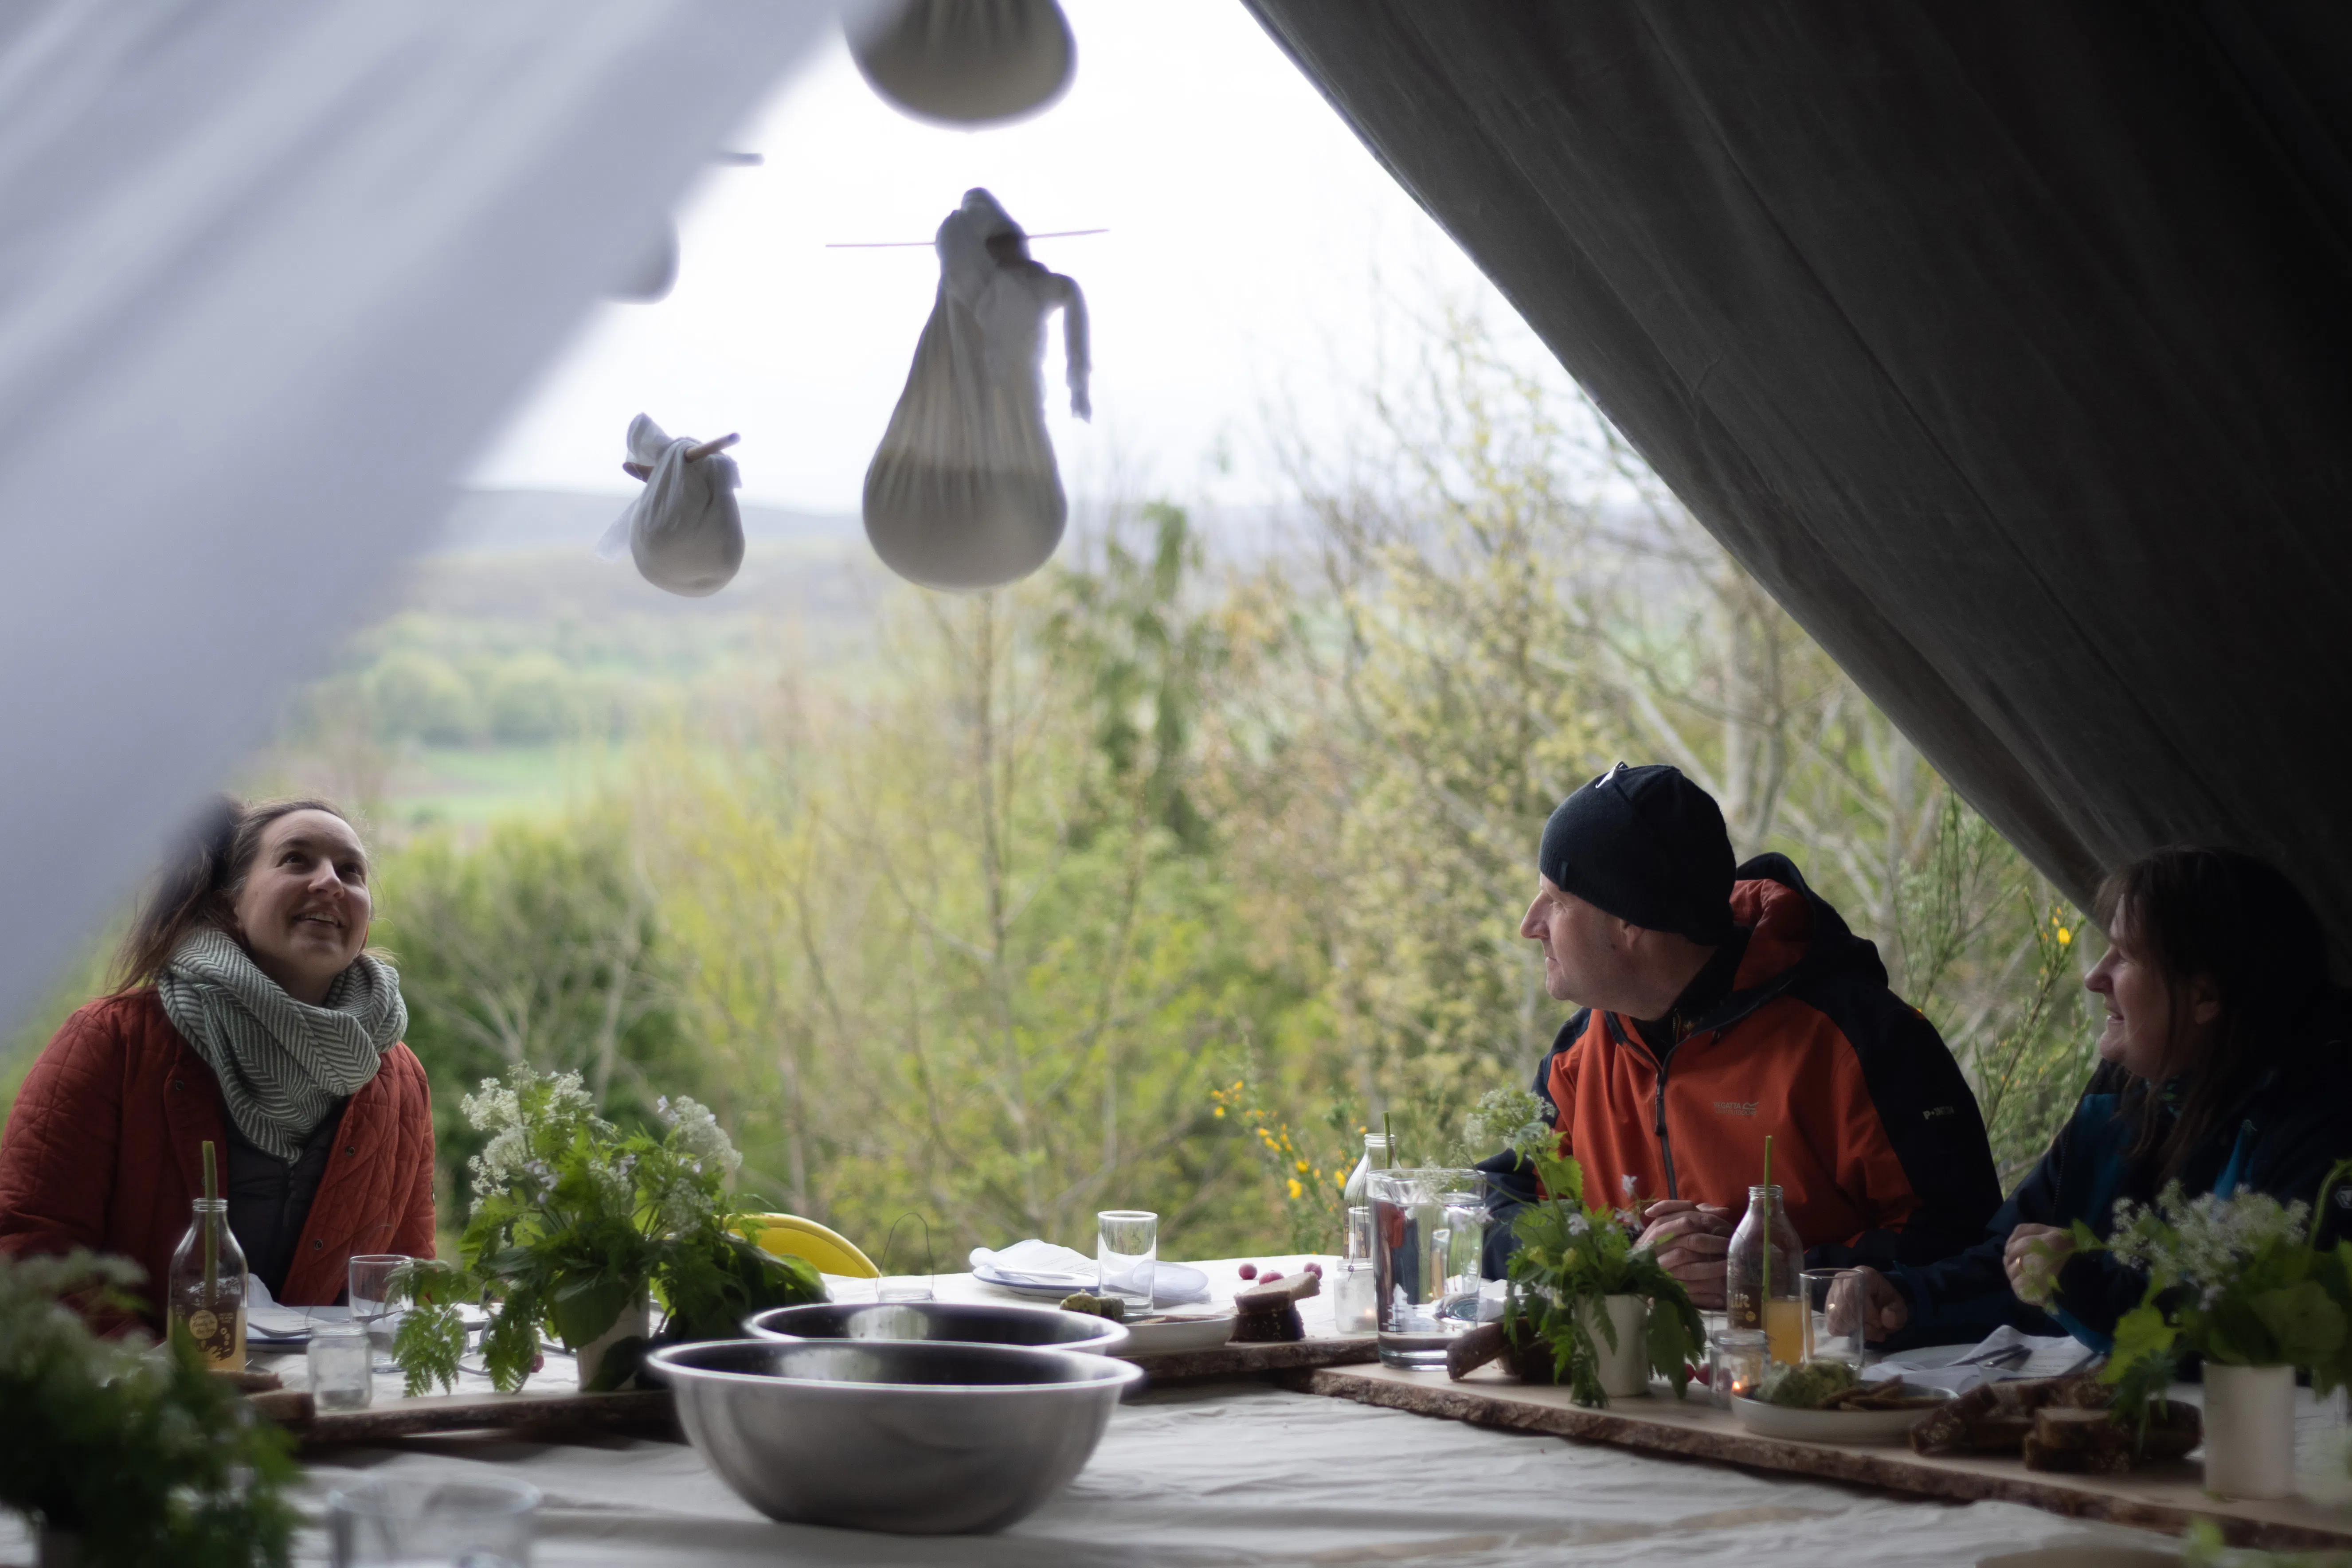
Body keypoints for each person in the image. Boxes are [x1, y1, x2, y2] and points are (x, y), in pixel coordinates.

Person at [1483, 763, 2002, 1328]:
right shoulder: (1579, 1054)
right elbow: (1494, 1210)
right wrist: (1624, 1258)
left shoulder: (1860, 1038)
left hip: (1828, 1391)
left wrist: (1766, 1273)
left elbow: (1967, 1243)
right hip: (1640, 1383)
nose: (1529, 924)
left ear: (1630, 921)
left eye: (1555, 901)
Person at [1835, 846, 2352, 1349]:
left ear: (2205, 997)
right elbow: (2015, 1257)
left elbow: (2259, 1327)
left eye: (2125, 956)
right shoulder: (2125, 1087)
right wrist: (1907, 1296)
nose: (2093, 978)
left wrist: (2078, 1283)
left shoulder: (2320, 1118)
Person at [0, 796, 434, 1322]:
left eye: (351, 871)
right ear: (231, 902)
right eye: (296, 860)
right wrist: (159, 1376)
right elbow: (29, 1245)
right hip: (145, 1397)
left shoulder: (399, 1077)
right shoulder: (114, 1041)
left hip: (320, 1399)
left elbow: (407, 1274)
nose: (330, 882)